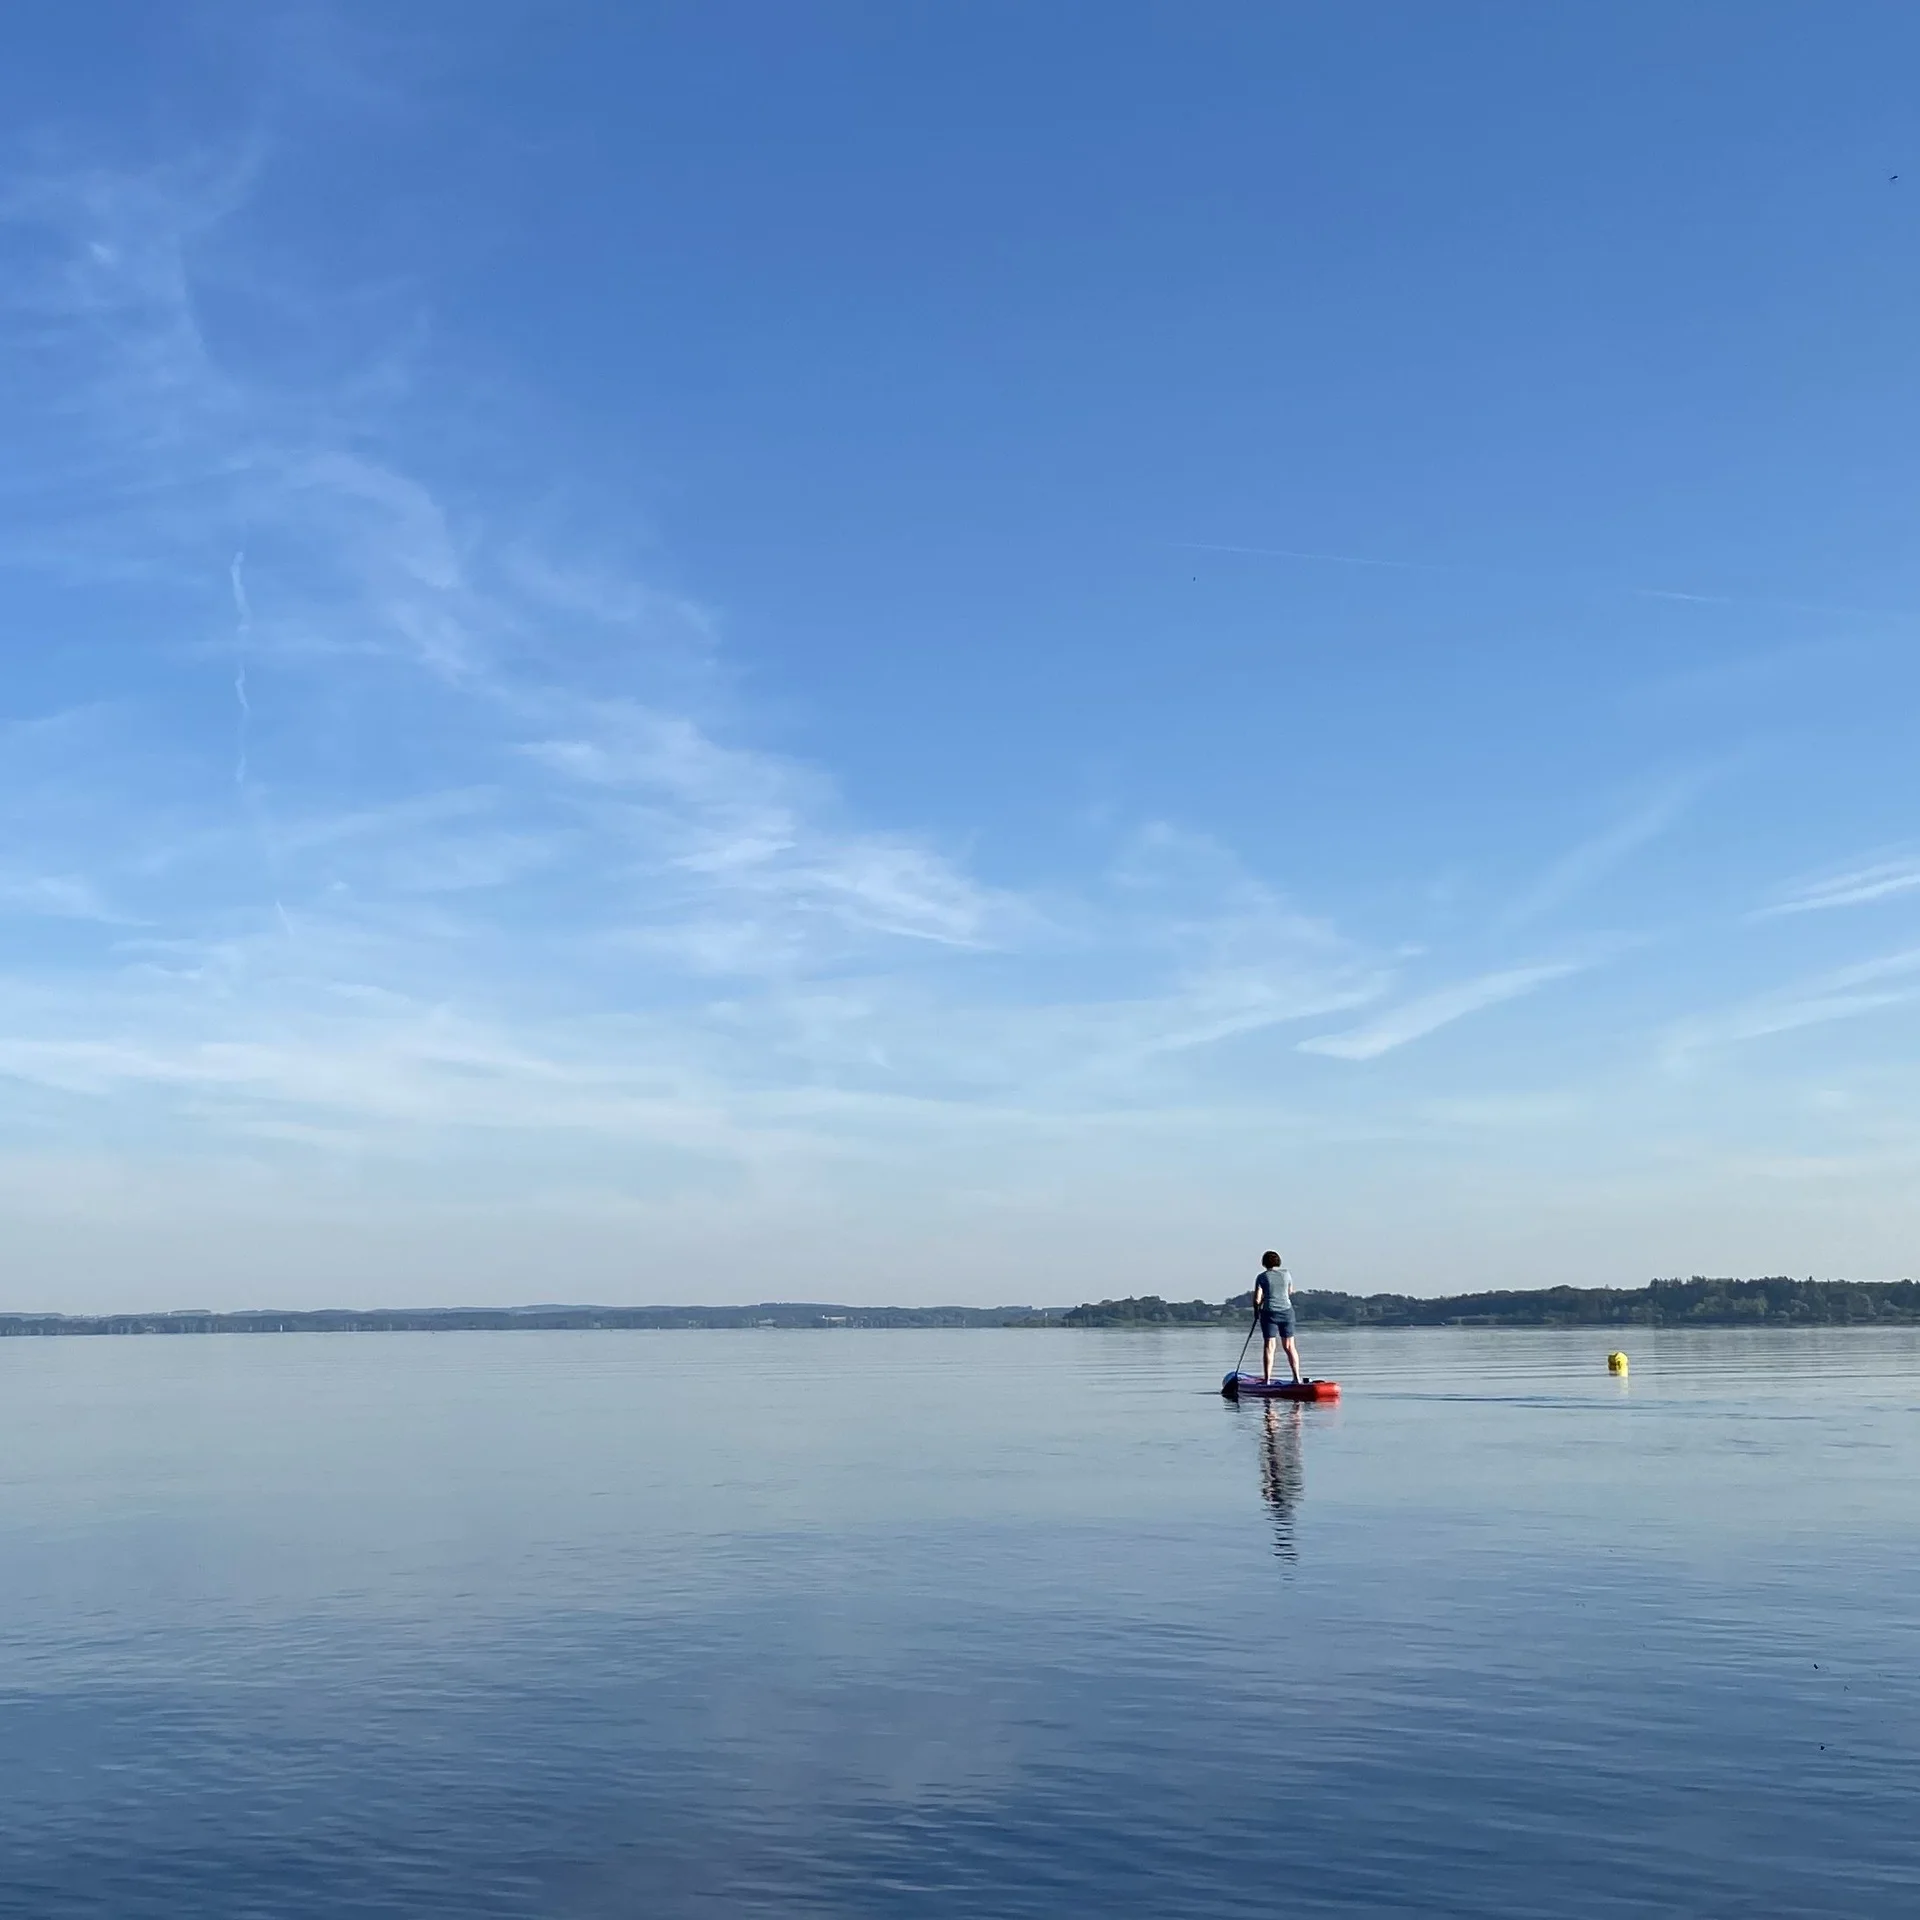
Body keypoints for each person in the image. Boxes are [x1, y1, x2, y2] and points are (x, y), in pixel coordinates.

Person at [1253, 1250, 1305, 1386]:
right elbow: (1289, 1292)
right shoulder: (1286, 1274)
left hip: (1269, 1312)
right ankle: (1297, 1377)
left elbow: (1257, 1299)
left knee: (1269, 1346)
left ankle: (1267, 1380)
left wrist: (1256, 1311)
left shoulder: (1262, 1277)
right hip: (1287, 1311)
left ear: (1264, 1263)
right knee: (1289, 1346)